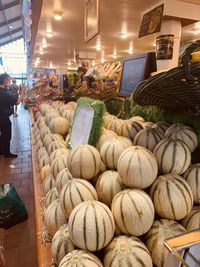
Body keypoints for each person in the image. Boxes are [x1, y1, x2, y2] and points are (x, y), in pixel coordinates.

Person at [0, 74, 18, 158]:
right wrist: (20, 97)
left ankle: (1, 150)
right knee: (6, 133)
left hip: (2, 115)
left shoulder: (3, 90)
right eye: (8, 79)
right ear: (4, 80)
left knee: (3, 133)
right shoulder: (2, 91)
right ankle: (6, 153)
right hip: (2, 116)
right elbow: (12, 101)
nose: (9, 81)